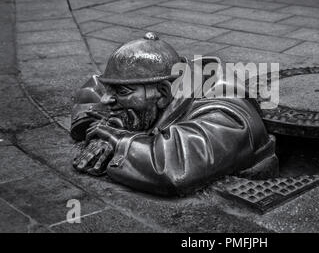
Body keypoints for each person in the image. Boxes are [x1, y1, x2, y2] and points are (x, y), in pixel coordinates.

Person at [70, 32, 278, 196]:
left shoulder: (226, 115)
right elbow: (93, 91)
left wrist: (116, 140)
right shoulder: (163, 80)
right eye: (110, 89)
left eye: (121, 92)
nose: (107, 99)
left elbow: (173, 168)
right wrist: (111, 124)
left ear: (162, 92)